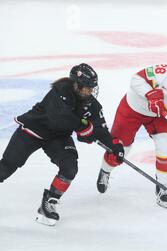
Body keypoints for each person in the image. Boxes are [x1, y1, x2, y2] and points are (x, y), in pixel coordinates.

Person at [0, 63, 124, 226]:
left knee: (70, 167)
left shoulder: (91, 104)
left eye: (91, 87)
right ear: (75, 84)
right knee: (6, 167)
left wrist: (114, 145)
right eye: (86, 87)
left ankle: (49, 203)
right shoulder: (60, 91)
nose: (89, 91)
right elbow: (60, 117)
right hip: (33, 131)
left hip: (57, 137)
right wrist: (84, 128)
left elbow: (100, 127)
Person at [96, 59, 167, 209]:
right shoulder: (165, 73)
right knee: (121, 148)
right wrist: (150, 93)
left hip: (159, 115)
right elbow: (136, 79)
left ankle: (162, 187)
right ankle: (105, 170)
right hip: (132, 108)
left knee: (166, 146)